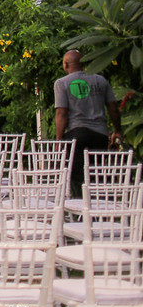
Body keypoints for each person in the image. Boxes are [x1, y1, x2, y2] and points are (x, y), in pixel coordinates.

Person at [54, 49, 122, 197]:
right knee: (99, 173)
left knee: (78, 176)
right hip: (100, 135)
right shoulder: (100, 80)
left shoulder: (62, 83)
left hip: (76, 134)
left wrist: (59, 140)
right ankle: (101, 208)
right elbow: (113, 108)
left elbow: (62, 113)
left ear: (66, 64)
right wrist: (117, 130)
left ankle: (82, 210)